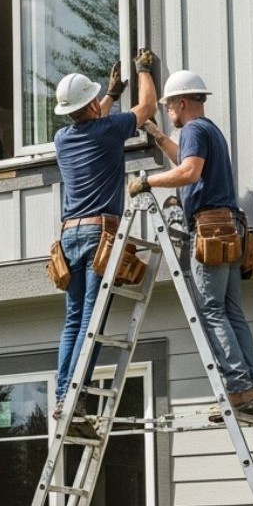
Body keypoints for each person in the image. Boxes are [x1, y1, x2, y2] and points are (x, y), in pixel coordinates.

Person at [129, 70, 253, 416]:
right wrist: (158, 135)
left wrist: (147, 181)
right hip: (229, 228)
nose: (168, 112)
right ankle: (252, 386)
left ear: (181, 102)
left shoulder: (193, 129)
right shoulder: (209, 131)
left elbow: (189, 172)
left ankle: (237, 389)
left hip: (209, 228)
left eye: (169, 107)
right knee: (231, 312)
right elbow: (187, 161)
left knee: (211, 310)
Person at [53, 49, 158, 421]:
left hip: (69, 237)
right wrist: (145, 69)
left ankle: (64, 397)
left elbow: (93, 117)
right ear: (91, 104)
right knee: (89, 322)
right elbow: (147, 107)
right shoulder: (107, 130)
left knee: (73, 319)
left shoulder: (62, 139)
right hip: (100, 233)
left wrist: (109, 95)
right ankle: (75, 399)